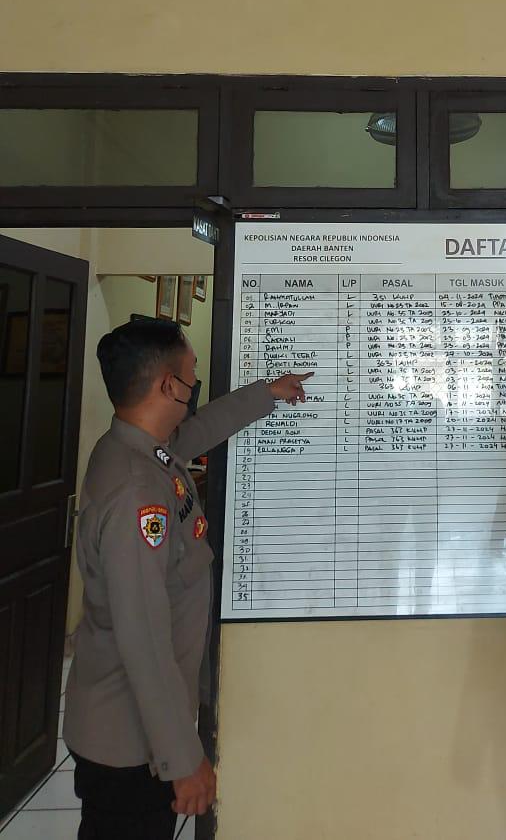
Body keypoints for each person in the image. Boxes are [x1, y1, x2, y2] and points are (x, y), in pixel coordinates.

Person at [64, 318, 312, 840]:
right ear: (169, 386)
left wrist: (267, 394)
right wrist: (182, 758)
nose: (195, 382)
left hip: (133, 733)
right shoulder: (137, 493)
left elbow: (198, 431)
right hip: (130, 742)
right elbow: (143, 640)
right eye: (191, 372)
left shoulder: (140, 448)